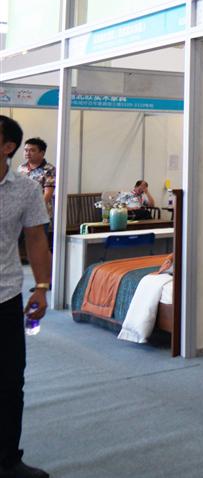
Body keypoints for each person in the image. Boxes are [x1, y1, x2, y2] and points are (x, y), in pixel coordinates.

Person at [1, 116, 53, 478]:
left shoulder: (26, 189)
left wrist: (42, 287)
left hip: (5, 296)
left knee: (9, 382)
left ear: (8, 147)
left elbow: (35, 238)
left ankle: (8, 460)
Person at [15, 139, 54, 218]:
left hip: (39, 214)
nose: (27, 153)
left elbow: (48, 194)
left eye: (32, 150)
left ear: (42, 153)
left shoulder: (49, 169)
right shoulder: (21, 168)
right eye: (26, 150)